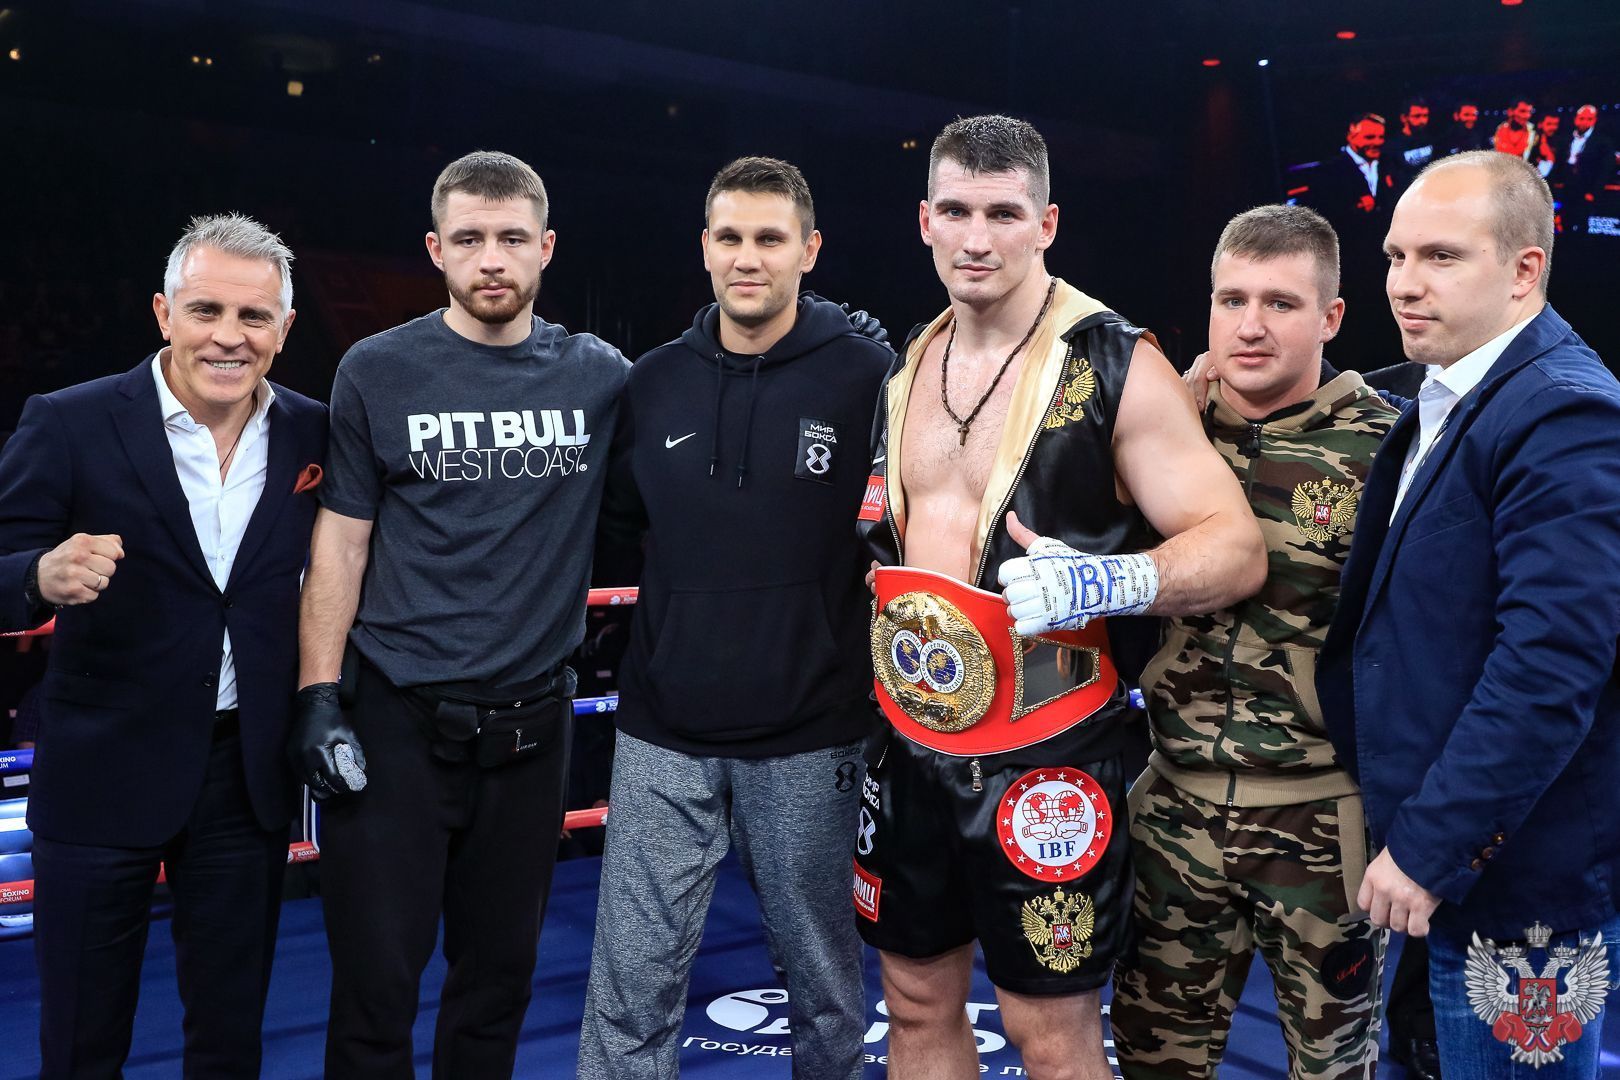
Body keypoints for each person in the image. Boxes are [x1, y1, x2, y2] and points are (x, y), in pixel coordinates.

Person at [854, 114, 1266, 1079]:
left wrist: (1114, 577)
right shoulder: (911, 359)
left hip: (1046, 757)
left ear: (1046, 224)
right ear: (924, 220)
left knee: (1049, 1032)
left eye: (1003, 214)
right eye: (956, 211)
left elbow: (1238, 547)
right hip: (909, 744)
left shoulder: (1113, 361)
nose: (977, 238)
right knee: (913, 1004)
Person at [292, 150, 630, 1078]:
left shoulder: (600, 375)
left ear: (546, 248)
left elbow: (699, 415)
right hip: (396, 721)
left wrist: (808, 340)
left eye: (512, 238)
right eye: (470, 238)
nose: (492, 259)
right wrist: (317, 694)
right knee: (375, 991)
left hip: (532, 731)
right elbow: (342, 541)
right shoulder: (377, 369)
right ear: (436, 248)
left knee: (498, 986)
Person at [577, 156, 892, 1080]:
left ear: (809, 250)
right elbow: (620, 530)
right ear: (705, 248)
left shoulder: (870, 376)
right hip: (663, 729)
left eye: (769, 238)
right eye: (730, 237)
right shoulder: (652, 382)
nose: (747, 257)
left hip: (813, 728)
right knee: (628, 983)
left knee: (824, 989)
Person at [0, 213, 325, 1078]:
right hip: (102, 770)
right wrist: (38, 575)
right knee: (82, 1042)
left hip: (243, 777)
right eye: (206, 309)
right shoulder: (69, 421)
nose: (229, 336)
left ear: (285, 328)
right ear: (163, 312)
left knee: (229, 1040)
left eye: (254, 317)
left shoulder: (314, 431)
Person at [1318, 150, 1620, 1077]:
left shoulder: (1565, 415)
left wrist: (1429, 847)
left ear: (1525, 270)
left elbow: (1550, 668)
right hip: (1449, 871)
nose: (1405, 284)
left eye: (1441, 257)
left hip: (1515, 892)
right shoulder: (1452, 389)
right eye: (1395, 256)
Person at [1109, 204, 1397, 1078]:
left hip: (1324, 819)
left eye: (1280, 303)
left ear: (1331, 317)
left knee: (1332, 1066)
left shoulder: (1389, 448)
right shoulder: (1163, 429)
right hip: (1174, 808)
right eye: (1231, 300)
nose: (1250, 326)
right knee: (1153, 1059)